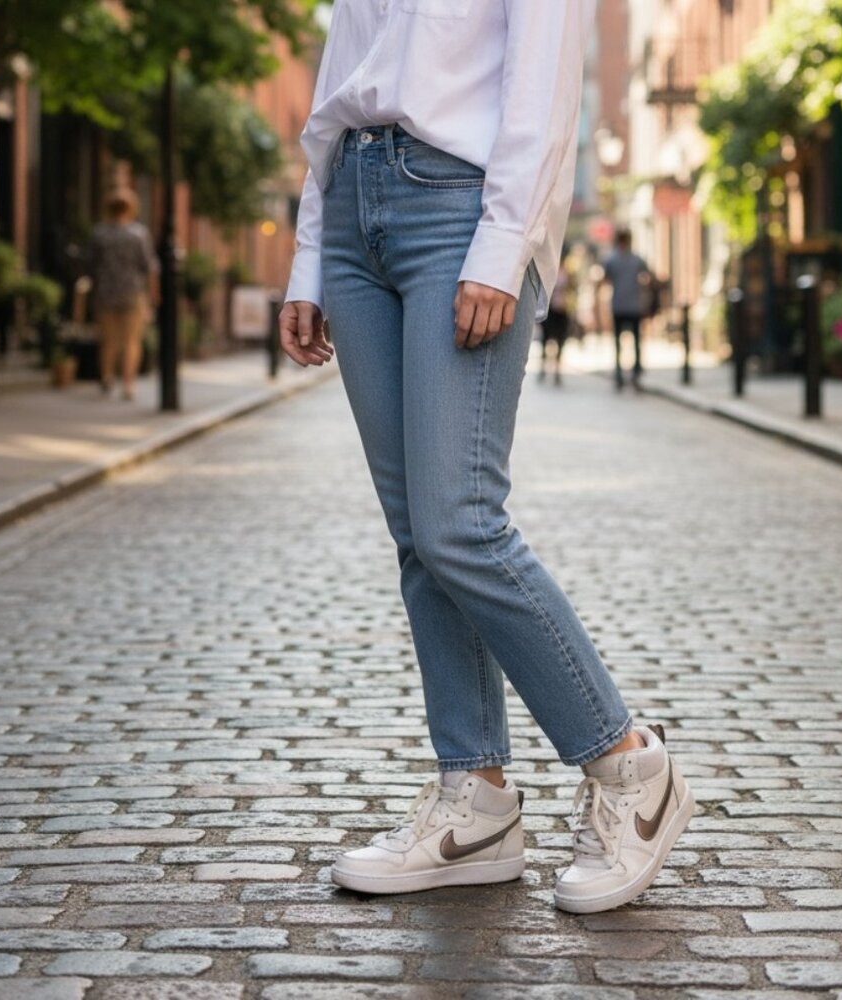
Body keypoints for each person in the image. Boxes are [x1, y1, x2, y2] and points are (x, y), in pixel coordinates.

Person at [279, 0, 693, 914]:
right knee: (418, 536)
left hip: (457, 207)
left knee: (460, 522)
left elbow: (541, 84)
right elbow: (339, 78)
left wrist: (504, 244)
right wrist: (311, 258)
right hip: (354, 203)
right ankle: (477, 802)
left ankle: (631, 768)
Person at [88, 188, 158, 400]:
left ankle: (107, 377)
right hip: (132, 293)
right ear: (132, 209)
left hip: (105, 293)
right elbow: (148, 266)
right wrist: (153, 295)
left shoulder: (99, 233)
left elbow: (90, 264)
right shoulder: (138, 234)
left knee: (108, 340)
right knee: (131, 341)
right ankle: (129, 384)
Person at [601, 228, 652, 390]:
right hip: (633, 305)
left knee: (618, 343)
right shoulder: (636, 259)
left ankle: (619, 375)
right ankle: (635, 375)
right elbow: (648, 277)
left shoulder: (611, 260)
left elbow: (605, 280)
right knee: (636, 342)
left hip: (618, 305)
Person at [538, 252, 572, 386]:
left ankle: (557, 371)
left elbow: (571, 290)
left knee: (560, 342)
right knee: (545, 341)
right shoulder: (549, 271)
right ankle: (543, 369)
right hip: (550, 310)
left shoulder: (568, 273)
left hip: (562, 310)